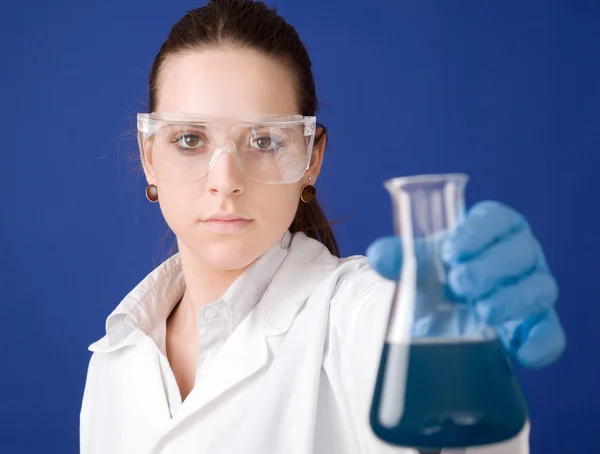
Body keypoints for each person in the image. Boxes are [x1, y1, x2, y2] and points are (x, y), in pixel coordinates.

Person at [79, 1, 567, 453]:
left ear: (311, 159)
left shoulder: (359, 314)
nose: (224, 182)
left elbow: (452, 423)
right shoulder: (116, 360)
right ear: (148, 157)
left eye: (265, 141)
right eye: (189, 139)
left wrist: (449, 324)